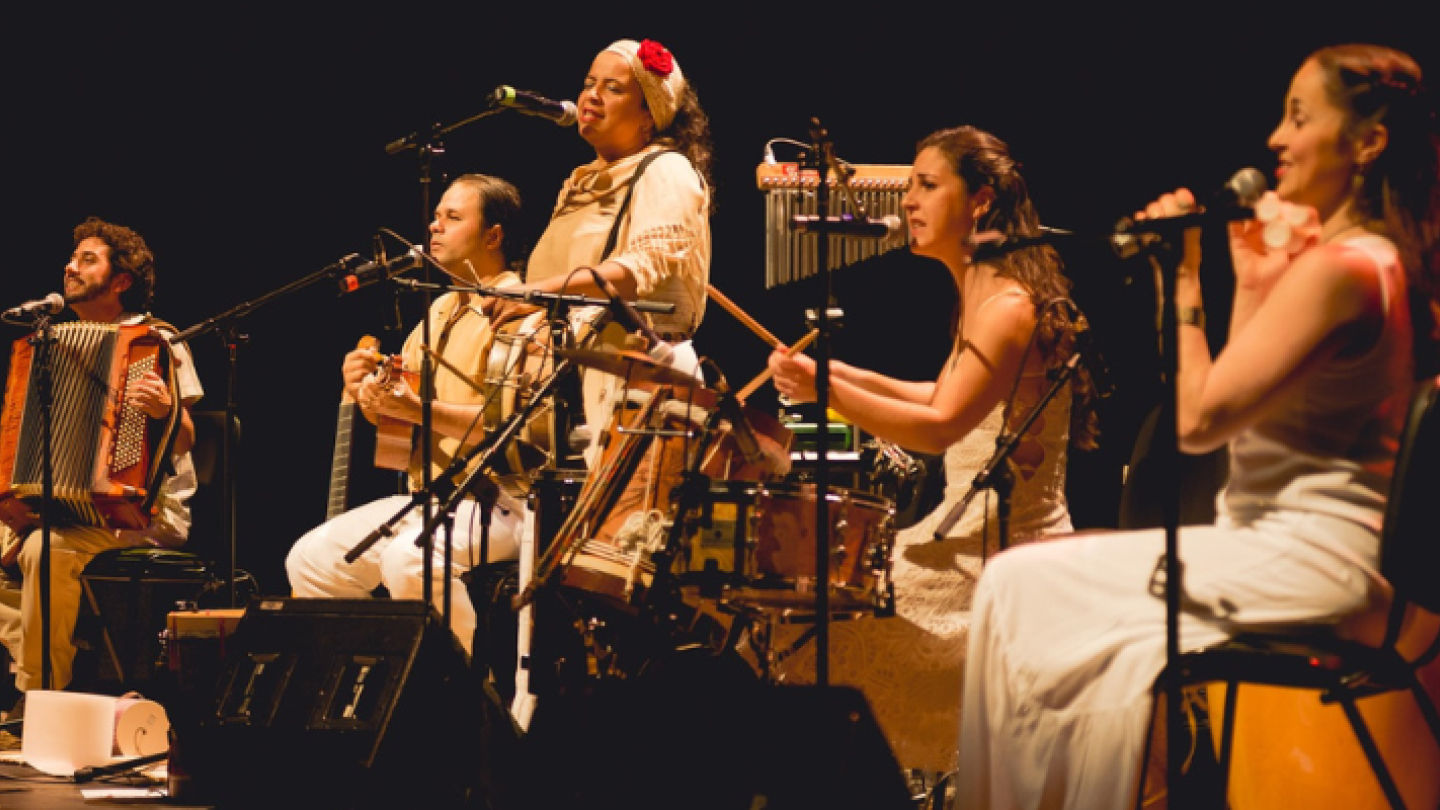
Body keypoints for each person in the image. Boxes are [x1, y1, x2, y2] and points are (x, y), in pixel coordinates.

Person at [954, 43, 1440, 809]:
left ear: (1368, 142)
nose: (1276, 139)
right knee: (1042, 610)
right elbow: (1228, 416)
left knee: (1015, 585)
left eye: (1299, 117)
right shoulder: (1353, 261)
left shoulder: (1348, 268)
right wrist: (1248, 279)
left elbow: (1197, 421)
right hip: (1283, 547)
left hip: (1313, 561)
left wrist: (1179, 276)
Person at [765, 126, 1099, 781]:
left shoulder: (1005, 305)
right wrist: (839, 376)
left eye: (926, 185)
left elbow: (939, 426)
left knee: (809, 630)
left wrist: (822, 388)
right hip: (970, 538)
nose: (908, 201)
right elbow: (946, 393)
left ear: (979, 199)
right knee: (800, 607)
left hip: (1002, 562)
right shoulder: (987, 294)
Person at [285, 173, 535, 664]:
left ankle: (456, 694)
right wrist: (366, 393)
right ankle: (361, 690)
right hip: (433, 498)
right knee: (313, 561)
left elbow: (511, 428)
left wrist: (412, 407)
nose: (433, 226)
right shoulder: (441, 309)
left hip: (504, 499)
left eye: (452, 217)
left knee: (410, 557)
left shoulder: (521, 308)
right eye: (436, 215)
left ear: (494, 235)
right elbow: (398, 428)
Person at [481, 37, 712, 466]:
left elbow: (637, 270)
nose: (591, 96)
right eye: (589, 83)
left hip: (645, 382)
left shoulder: (667, 169)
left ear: (650, 113)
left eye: (614, 88)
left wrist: (535, 294)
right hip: (589, 381)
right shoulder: (582, 181)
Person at [0, 216, 203, 699]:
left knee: (44, 550)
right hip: (60, 508)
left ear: (121, 280)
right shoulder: (48, 344)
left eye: (86, 260)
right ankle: (59, 684)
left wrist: (165, 412)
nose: (70, 268)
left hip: (143, 511)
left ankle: (40, 700)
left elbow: (188, 438)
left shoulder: (158, 341)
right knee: (37, 545)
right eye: (71, 259)